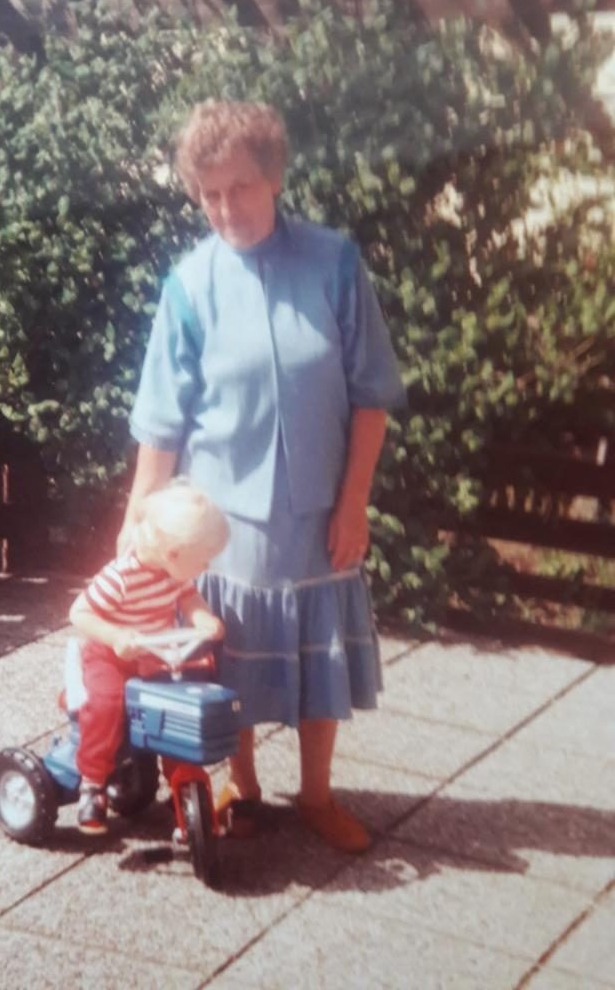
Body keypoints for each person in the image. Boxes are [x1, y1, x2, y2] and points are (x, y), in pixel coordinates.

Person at [119, 99, 406, 852]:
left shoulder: (335, 263)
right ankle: (242, 789)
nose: (224, 208)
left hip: (319, 517)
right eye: (209, 194)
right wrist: (137, 526)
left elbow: (373, 395)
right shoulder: (189, 285)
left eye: (239, 188)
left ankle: (315, 796)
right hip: (223, 527)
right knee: (230, 658)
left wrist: (355, 504)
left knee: (321, 653)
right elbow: (161, 423)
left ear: (274, 178)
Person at [68, 480, 229, 834]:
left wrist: (203, 619)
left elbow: (189, 599)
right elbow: (79, 613)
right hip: (109, 654)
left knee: (176, 707)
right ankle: (92, 783)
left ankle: (183, 783)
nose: (205, 567)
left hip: (153, 655)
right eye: (202, 560)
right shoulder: (120, 577)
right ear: (173, 553)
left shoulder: (173, 573)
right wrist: (116, 636)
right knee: (108, 703)